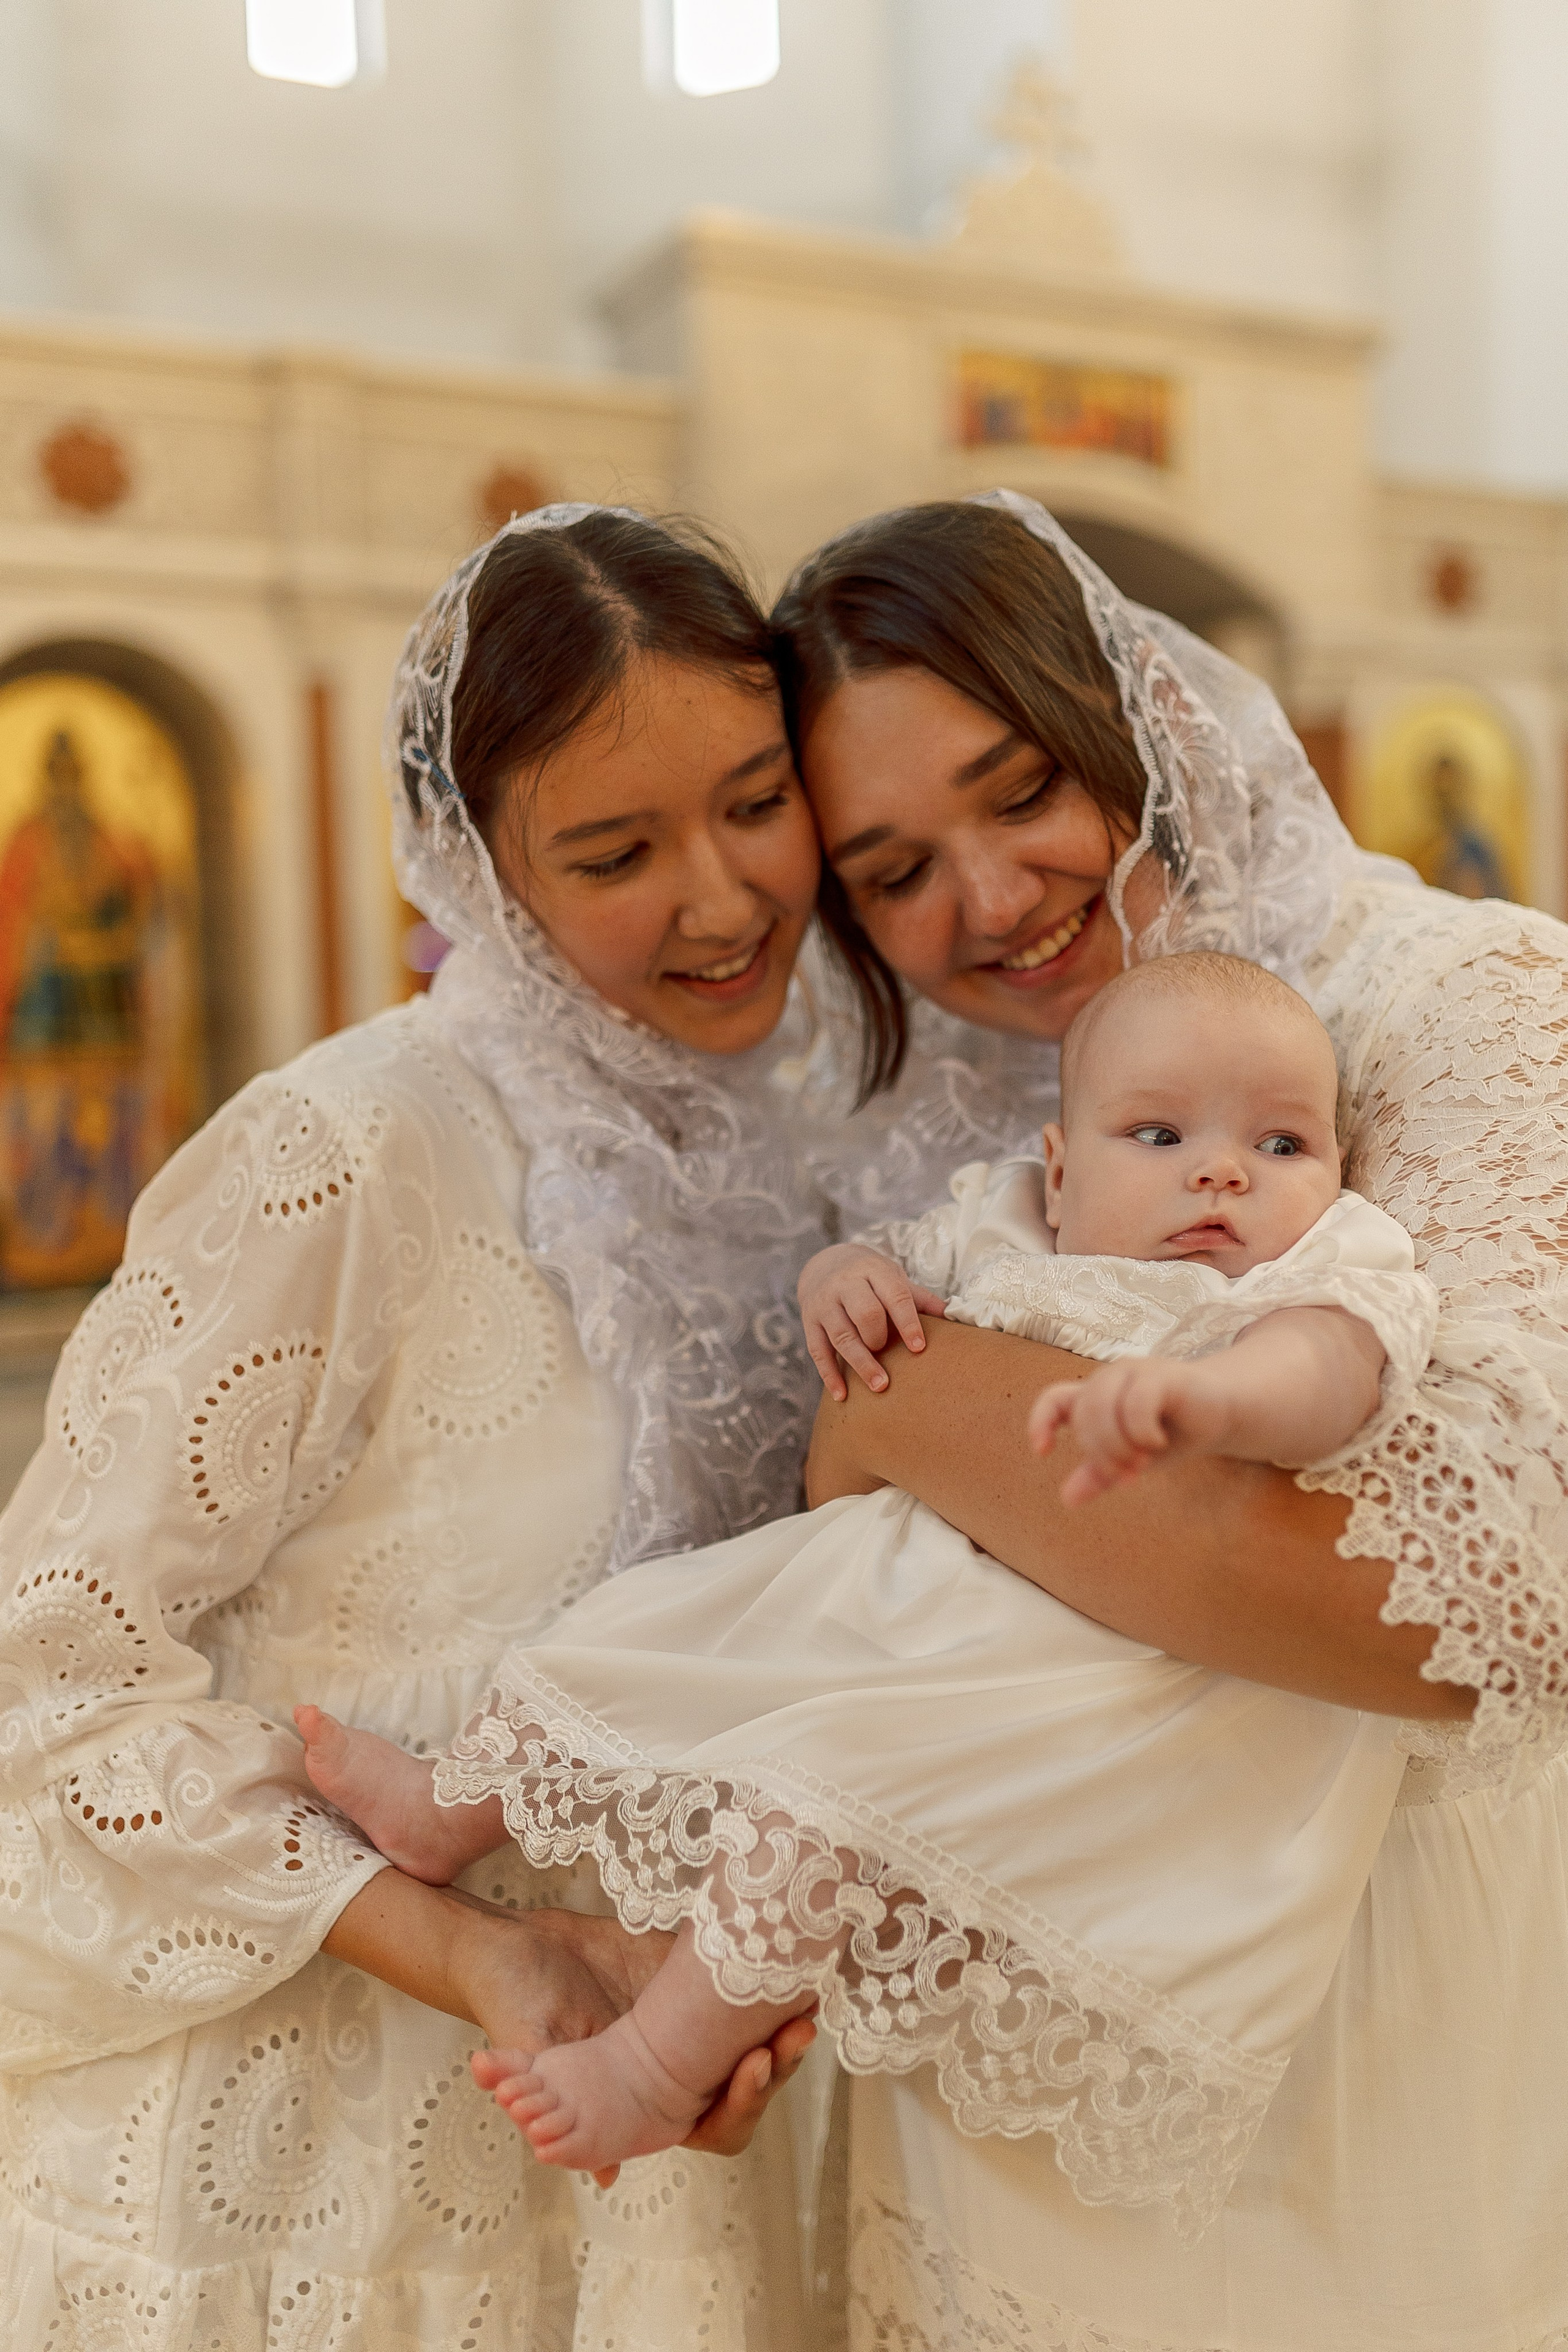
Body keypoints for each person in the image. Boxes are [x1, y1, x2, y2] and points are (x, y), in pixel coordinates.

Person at [2, 505, 1040, 2350]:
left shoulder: (836, 1154)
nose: (721, 901)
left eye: (753, 802)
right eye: (614, 849)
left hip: (676, 2157)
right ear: (483, 869)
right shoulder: (350, 1149)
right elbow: (52, 1694)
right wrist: (485, 1950)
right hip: (339, 2170)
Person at [294, 946, 1436, 2240]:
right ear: (1058, 1171)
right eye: (1158, 1133)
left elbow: (1332, 1375)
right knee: (647, 1628)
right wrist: (842, 1286)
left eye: (1281, 1143)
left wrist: (1213, 1397)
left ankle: (655, 2066)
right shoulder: (1006, 1219)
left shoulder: (1314, 1273)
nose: (1221, 1172)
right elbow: (870, 1269)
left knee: (823, 1814)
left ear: (1336, 1173)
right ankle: (455, 1807)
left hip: (1080, 1674)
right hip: (898, 1582)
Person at [784, 494, 1568, 2351]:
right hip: (1005, 1999)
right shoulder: (940, 1123)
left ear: (1133, 725)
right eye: (891, 871)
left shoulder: (1469, 999)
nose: (982, 901)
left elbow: (1477, 1606)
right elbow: (829, 1500)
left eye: (1018, 786)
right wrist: (901, 1422)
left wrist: (922, 1407)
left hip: (1364, 2003)